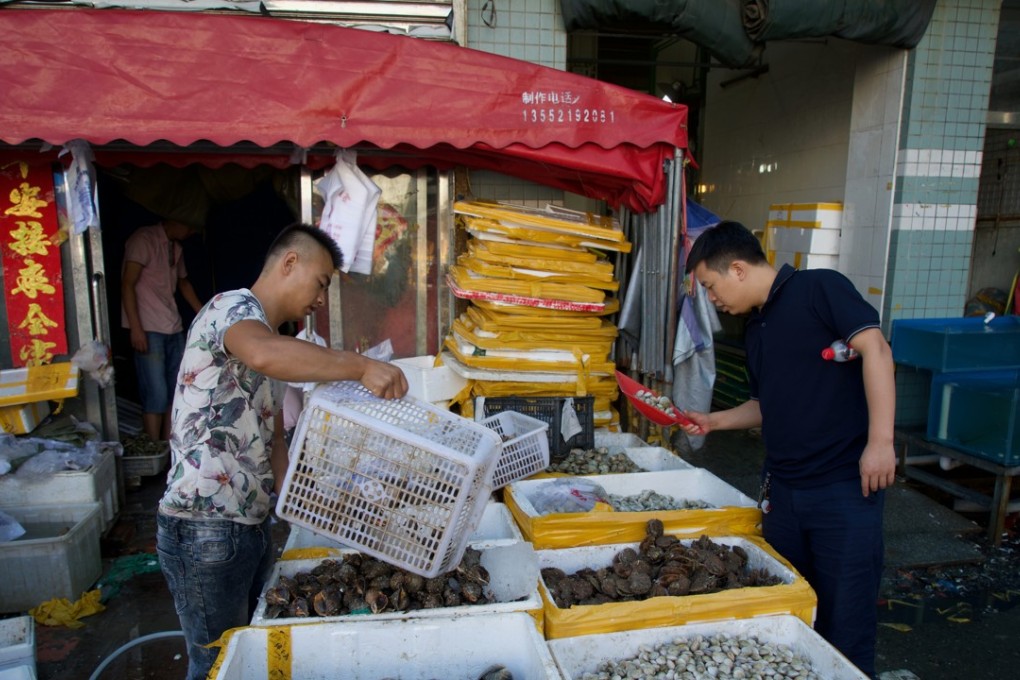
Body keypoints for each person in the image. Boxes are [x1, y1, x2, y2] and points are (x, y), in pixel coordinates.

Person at [155, 223, 408, 680]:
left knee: (249, 655)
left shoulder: (268, 340)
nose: (319, 300)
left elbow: (273, 444)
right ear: (290, 263)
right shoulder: (231, 308)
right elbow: (265, 354)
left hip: (246, 528)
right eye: (321, 283)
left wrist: (311, 514)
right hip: (203, 527)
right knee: (217, 664)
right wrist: (360, 366)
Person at [680, 220, 896, 679]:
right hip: (784, 494)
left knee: (847, 623)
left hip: (843, 491)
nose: (712, 299)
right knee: (789, 611)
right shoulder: (756, 329)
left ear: (737, 269)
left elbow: (875, 349)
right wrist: (712, 421)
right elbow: (764, 405)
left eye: (711, 286)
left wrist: (880, 443)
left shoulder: (820, 288)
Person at [121, 218, 204, 442]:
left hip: (172, 326)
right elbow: (127, 283)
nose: (190, 231)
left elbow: (184, 283)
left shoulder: (175, 247)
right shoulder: (143, 240)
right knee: (155, 393)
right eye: (188, 224)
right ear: (174, 219)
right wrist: (135, 328)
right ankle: (153, 448)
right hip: (148, 328)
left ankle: (169, 448)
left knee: (176, 390)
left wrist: (205, 313)